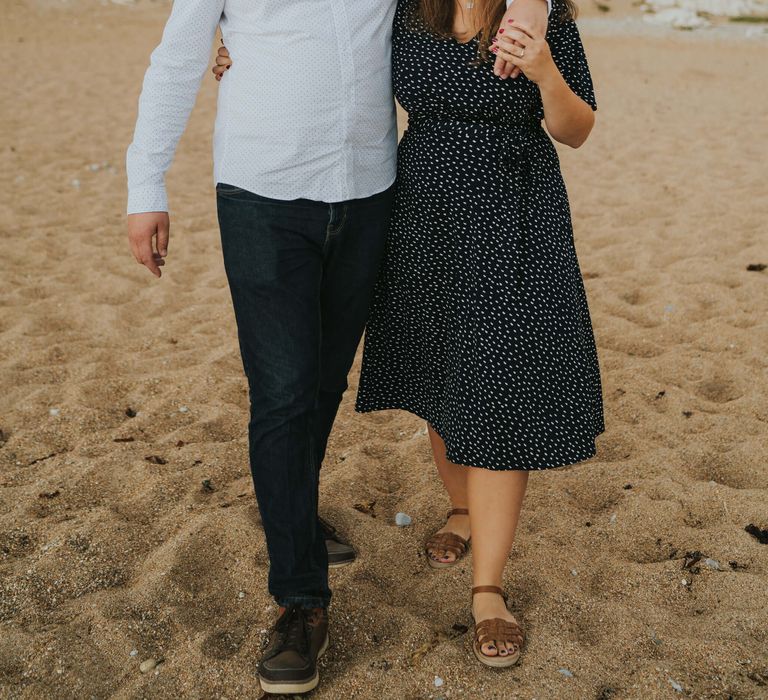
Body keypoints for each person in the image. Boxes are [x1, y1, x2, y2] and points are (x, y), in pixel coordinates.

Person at [127, 0, 550, 693]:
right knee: (285, 390)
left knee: (324, 381)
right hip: (262, 190)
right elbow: (177, 57)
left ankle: (289, 508)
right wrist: (146, 187)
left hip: (369, 189)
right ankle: (301, 600)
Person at [217, 0, 603, 670]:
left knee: (497, 390)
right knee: (442, 376)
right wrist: (245, 53)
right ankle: (461, 510)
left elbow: (577, 129)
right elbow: (336, 56)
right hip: (419, 212)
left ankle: (488, 591)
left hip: (512, 214)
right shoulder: (408, 10)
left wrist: (543, 72)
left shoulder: (542, 16)